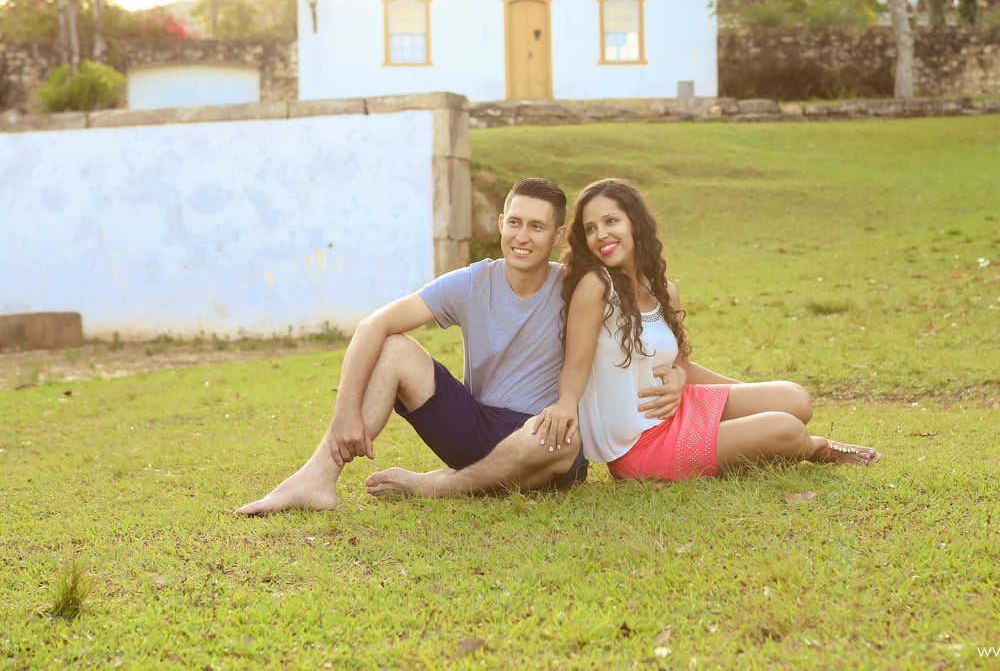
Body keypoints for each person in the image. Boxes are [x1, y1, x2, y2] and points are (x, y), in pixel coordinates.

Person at [236, 177, 686, 513]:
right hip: (474, 427)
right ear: (500, 224)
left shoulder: (578, 285)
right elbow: (373, 324)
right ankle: (317, 478)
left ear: (558, 235)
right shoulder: (473, 282)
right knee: (394, 348)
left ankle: (436, 485)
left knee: (563, 441)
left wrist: (681, 370)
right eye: (514, 223)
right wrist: (344, 414)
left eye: (536, 226)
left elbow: (649, 322)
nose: (522, 236)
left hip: (542, 441)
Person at [531, 178, 880, 481]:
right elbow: (576, 366)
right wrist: (565, 404)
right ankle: (815, 448)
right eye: (590, 228)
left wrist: (688, 379)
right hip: (642, 445)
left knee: (794, 398)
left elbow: (679, 365)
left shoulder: (664, 291)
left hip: (680, 405)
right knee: (787, 428)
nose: (601, 235)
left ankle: (771, 427)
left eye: (611, 221)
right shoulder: (596, 286)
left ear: (635, 224)